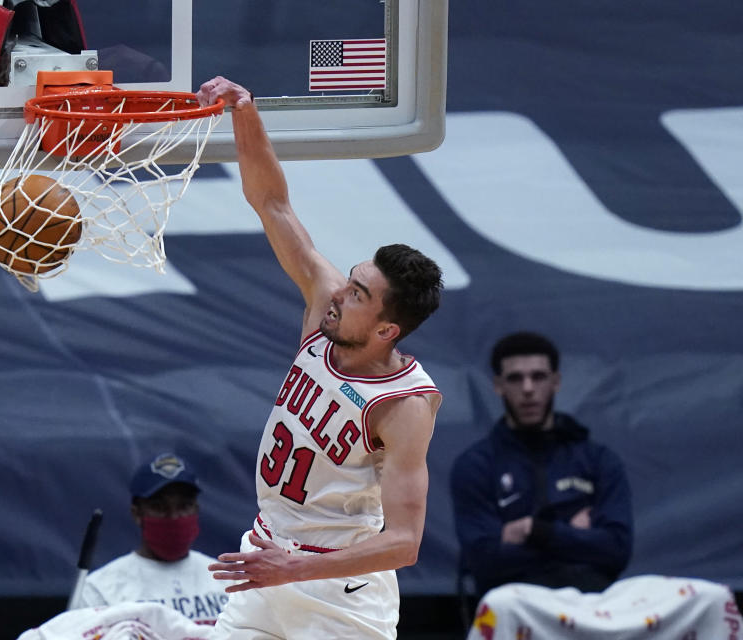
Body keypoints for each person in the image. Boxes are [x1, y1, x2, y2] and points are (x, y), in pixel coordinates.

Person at [195, 77, 445, 640]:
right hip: (265, 558)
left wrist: (297, 568)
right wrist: (244, 110)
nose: (339, 292)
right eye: (351, 279)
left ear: (386, 328)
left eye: (358, 293)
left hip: (340, 595)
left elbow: (405, 544)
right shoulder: (324, 309)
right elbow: (272, 203)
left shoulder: (405, 405)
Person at [450, 331, 633, 600]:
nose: (527, 389)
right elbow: (484, 561)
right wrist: (573, 535)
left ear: (556, 382)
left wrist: (536, 531)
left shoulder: (598, 461)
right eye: (515, 378)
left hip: (590, 607)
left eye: (538, 377)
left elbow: (617, 550)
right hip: (513, 609)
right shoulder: (476, 465)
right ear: (498, 385)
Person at [76, 452, 230, 626]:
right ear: (137, 513)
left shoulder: (226, 580)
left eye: (184, 506)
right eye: (159, 507)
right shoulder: (100, 589)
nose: (173, 516)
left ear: (196, 509)